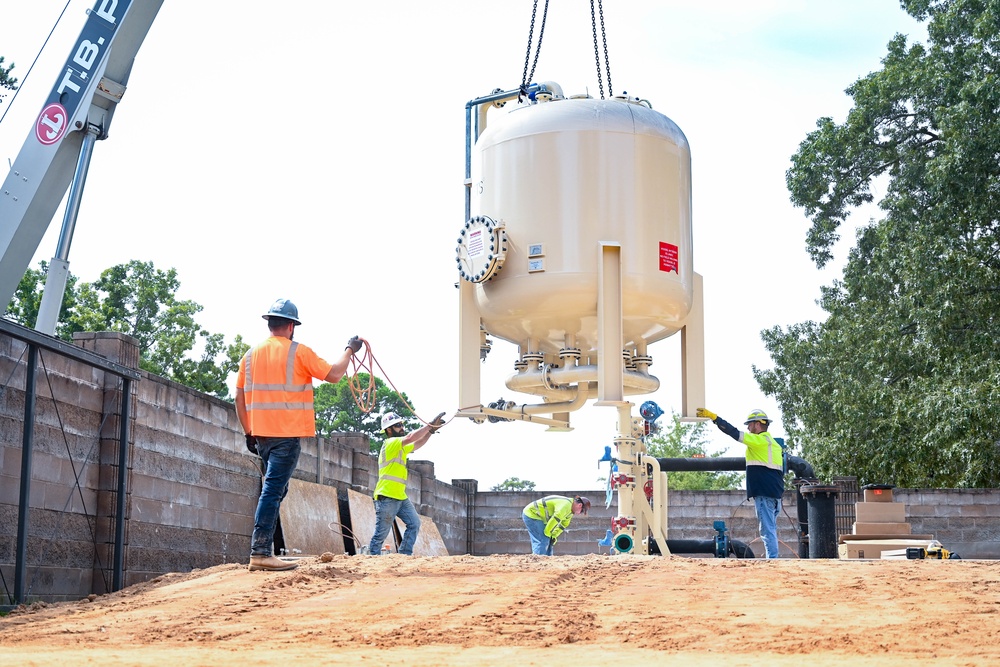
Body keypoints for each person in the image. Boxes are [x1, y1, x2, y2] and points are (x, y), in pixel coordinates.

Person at [236, 298, 362, 572]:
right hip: (286, 436)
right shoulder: (299, 352)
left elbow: (239, 396)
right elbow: (334, 374)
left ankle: (262, 549)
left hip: (262, 437)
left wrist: (248, 430)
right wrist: (349, 349)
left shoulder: (249, 356)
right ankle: (259, 552)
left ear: (270, 323)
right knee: (272, 490)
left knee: (277, 489)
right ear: (292, 326)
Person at [696, 407, 785, 558]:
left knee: (767, 530)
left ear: (757, 424)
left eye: (750, 424)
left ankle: (773, 562)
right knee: (771, 529)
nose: (748, 428)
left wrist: (715, 418)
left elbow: (734, 432)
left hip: (764, 494)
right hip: (776, 495)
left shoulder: (758, 441)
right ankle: (773, 558)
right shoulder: (774, 444)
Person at [368, 410, 446, 555]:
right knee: (381, 534)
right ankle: (372, 559)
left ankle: (404, 554)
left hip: (400, 496)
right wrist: (429, 426)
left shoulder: (400, 448)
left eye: (402, 425)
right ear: (389, 430)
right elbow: (411, 437)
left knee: (414, 523)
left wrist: (431, 432)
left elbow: (417, 443)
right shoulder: (390, 443)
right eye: (398, 425)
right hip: (386, 496)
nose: (402, 428)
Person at [521, 495, 591, 556]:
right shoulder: (565, 506)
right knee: (543, 540)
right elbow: (554, 520)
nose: (579, 513)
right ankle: (538, 562)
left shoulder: (570, 511)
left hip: (540, 517)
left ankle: (547, 562)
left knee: (549, 540)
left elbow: (563, 525)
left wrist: (553, 535)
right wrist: (548, 534)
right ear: (580, 505)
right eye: (582, 511)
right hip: (531, 514)